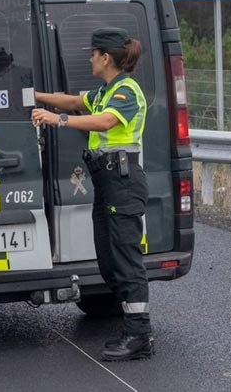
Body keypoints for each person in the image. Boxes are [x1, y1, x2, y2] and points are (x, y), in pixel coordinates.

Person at [31, 27, 152, 361]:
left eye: (93, 53)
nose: (89, 59)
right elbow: (72, 100)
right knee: (108, 257)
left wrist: (58, 120)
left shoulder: (126, 91)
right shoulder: (104, 90)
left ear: (106, 57)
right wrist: (36, 97)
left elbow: (104, 122)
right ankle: (133, 325)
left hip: (123, 182)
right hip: (107, 182)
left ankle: (139, 334)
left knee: (126, 258)